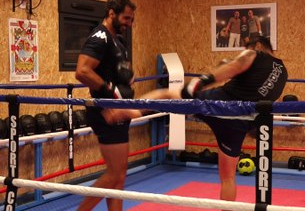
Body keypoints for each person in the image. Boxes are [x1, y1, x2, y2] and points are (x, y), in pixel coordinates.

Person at [102, 36, 288, 203]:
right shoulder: (283, 73)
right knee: (228, 178)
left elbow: (237, 65)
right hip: (240, 122)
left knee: (169, 93)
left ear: (257, 45)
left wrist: (202, 81)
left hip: (218, 104)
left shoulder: (254, 54)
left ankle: (132, 110)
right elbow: (264, 102)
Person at [75, 0, 136, 211]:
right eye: (126, 19)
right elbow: (82, 71)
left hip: (119, 111)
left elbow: (115, 73)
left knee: (119, 178)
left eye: (131, 20)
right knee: (114, 175)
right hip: (108, 112)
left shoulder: (116, 41)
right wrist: (110, 91)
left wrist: (126, 79)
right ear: (112, 13)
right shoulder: (99, 37)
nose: (129, 24)